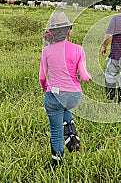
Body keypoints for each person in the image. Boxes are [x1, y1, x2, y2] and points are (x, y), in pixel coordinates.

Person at [39, 12, 91, 167]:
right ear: (69, 30)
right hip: (74, 96)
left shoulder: (46, 51)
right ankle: (71, 132)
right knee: (66, 105)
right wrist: (90, 76)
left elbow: (42, 77)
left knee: (55, 131)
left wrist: (44, 88)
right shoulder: (79, 49)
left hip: (54, 94)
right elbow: (85, 76)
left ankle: (57, 164)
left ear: (52, 33)